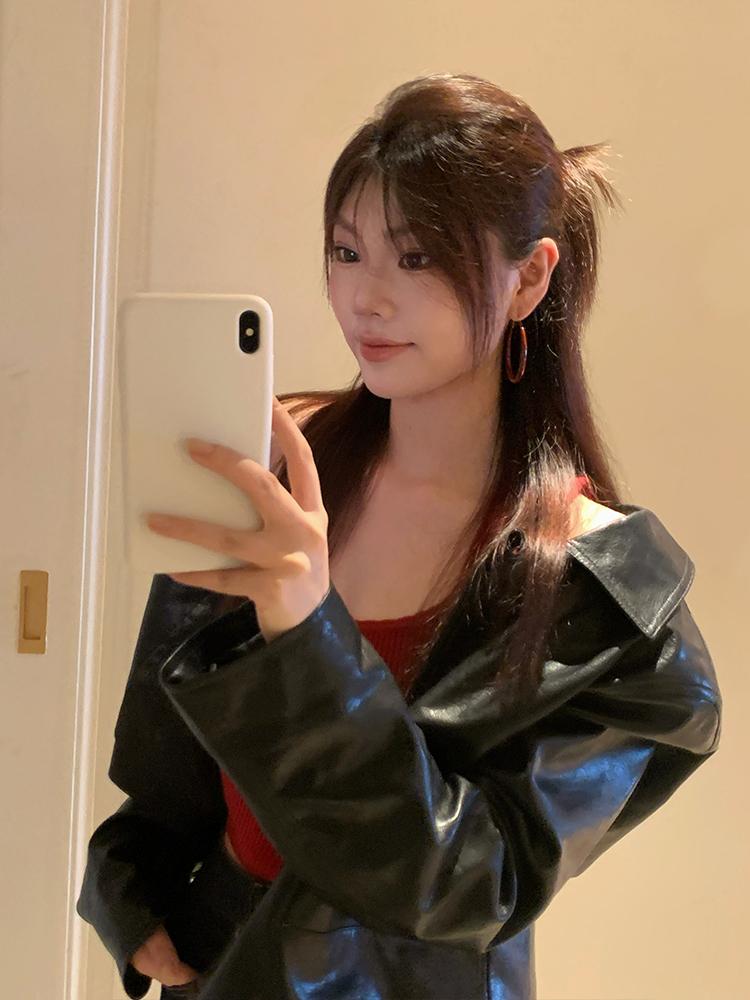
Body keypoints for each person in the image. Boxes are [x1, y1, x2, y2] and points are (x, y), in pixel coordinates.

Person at [76, 72, 722, 1000]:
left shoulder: (605, 599)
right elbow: (171, 768)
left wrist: (306, 629)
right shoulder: (284, 472)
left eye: (417, 259)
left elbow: (462, 884)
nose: (366, 298)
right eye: (347, 251)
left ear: (529, 278)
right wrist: (130, 890)